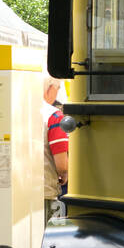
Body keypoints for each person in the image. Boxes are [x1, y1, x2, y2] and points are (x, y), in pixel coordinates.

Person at [43, 74, 68, 225]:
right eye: (57, 88)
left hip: (21, 192)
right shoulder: (54, 116)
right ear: (50, 88)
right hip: (46, 193)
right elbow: (62, 166)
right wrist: (64, 174)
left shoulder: (18, 111)